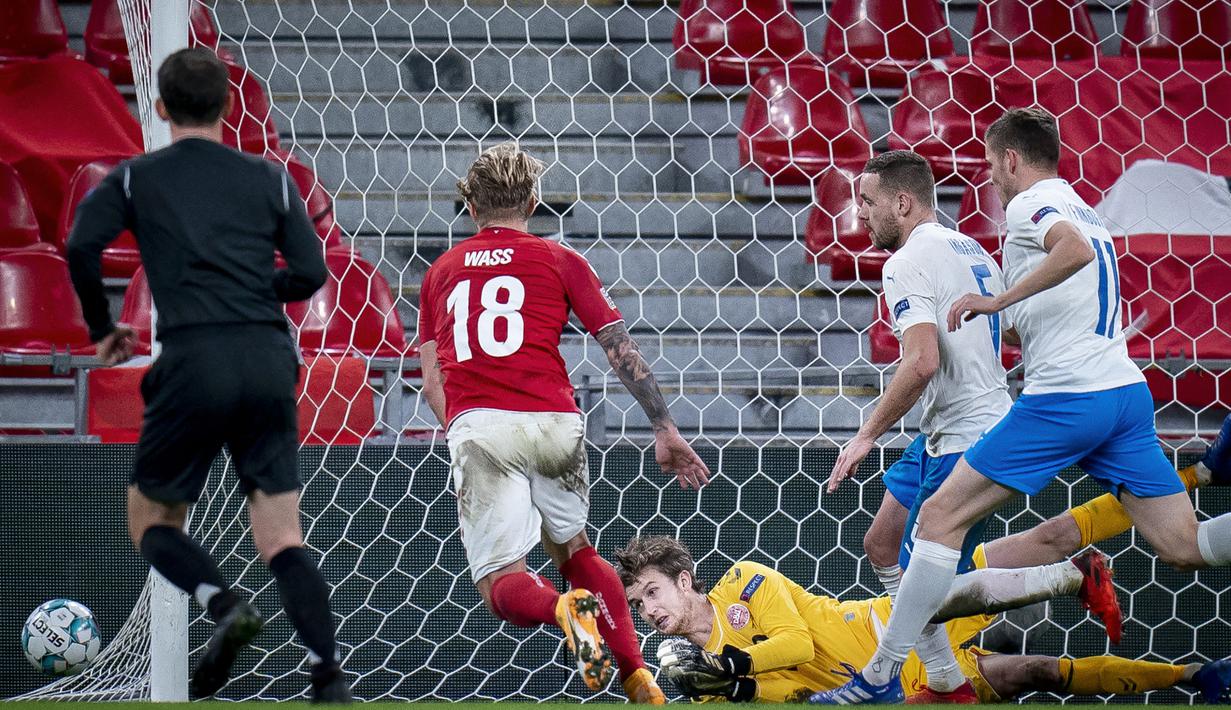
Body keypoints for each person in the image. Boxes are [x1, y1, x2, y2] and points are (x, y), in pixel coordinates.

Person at [812, 107, 1231, 705]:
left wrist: (998, 300)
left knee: (935, 525)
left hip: (1065, 398)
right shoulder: (1083, 207)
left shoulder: (1030, 205)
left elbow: (1074, 251)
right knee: (1185, 546)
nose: (988, 177)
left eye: (989, 164)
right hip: (1124, 393)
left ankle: (879, 677)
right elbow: (1040, 306)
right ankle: (948, 679)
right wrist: (1000, 316)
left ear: (1010, 159)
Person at [66, 48, 349, 701]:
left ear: (159, 109)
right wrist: (261, 286)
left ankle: (223, 604)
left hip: (194, 357)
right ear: (227, 107)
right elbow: (310, 273)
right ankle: (328, 675)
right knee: (282, 537)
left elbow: (81, 243)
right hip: (268, 357)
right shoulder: (272, 178)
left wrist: (101, 328)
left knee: (153, 522)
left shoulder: (138, 178)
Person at [417, 141, 711, 703]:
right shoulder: (560, 259)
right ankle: (636, 676)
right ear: (532, 201)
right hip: (555, 421)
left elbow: (433, 384)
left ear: (471, 209)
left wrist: (467, 431)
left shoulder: (440, 273)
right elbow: (619, 349)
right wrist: (664, 427)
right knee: (575, 549)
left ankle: (561, 609)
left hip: (481, 425)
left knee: (499, 580)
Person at [824, 150, 1118, 702]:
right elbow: (1006, 336)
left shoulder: (904, 261)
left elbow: (921, 361)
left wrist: (866, 434)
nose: (859, 213)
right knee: (883, 544)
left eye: (867, 201)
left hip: (967, 436)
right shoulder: (971, 247)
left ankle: (1068, 578)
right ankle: (946, 682)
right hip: (947, 429)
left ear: (903, 202)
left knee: (928, 587)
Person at [616, 536, 1231, 704]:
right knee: (1039, 671)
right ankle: (1193, 677)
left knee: (1002, 561)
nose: (647, 610)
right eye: (638, 604)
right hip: (894, 689)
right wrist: (740, 687)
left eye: (651, 592)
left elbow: (796, 641)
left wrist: (734, 666)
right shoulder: (708, 683)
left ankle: (1085, 561)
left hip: (893, 627)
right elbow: (795, 692)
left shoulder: (745, 583)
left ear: (686, 581)